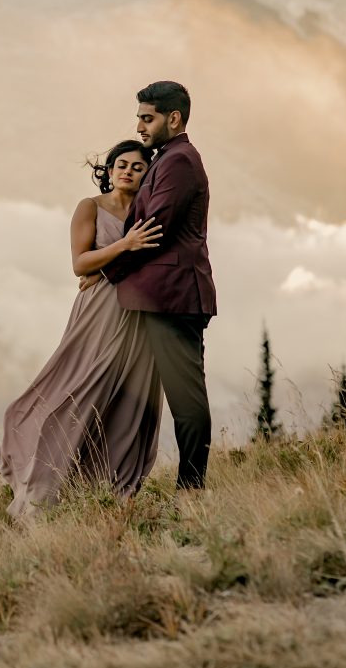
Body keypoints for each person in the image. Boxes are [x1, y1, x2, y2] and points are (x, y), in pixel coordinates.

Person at [0, 140, 165, 519]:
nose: (127, 171)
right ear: (108, 170)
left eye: (137, 167)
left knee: (127, 404)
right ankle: (41, 491)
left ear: (147, 175)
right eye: (120, 164)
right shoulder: (90, 206)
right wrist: (124, 246)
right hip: (99, 314)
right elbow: (80, 263)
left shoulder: (147, 210)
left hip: (140, 318)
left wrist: (108, 265)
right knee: (79, 389)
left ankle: (105, 496)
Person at [103, 81, 216, 491]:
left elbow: (154, 230)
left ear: (174, 118)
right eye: (138, 118)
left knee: (185, 398)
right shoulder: (168, 158)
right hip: (158, 298)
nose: (139, 126)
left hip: (175, 297)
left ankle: (191, 491)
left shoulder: (180, 161)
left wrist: (104, 273)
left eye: (147, 118)